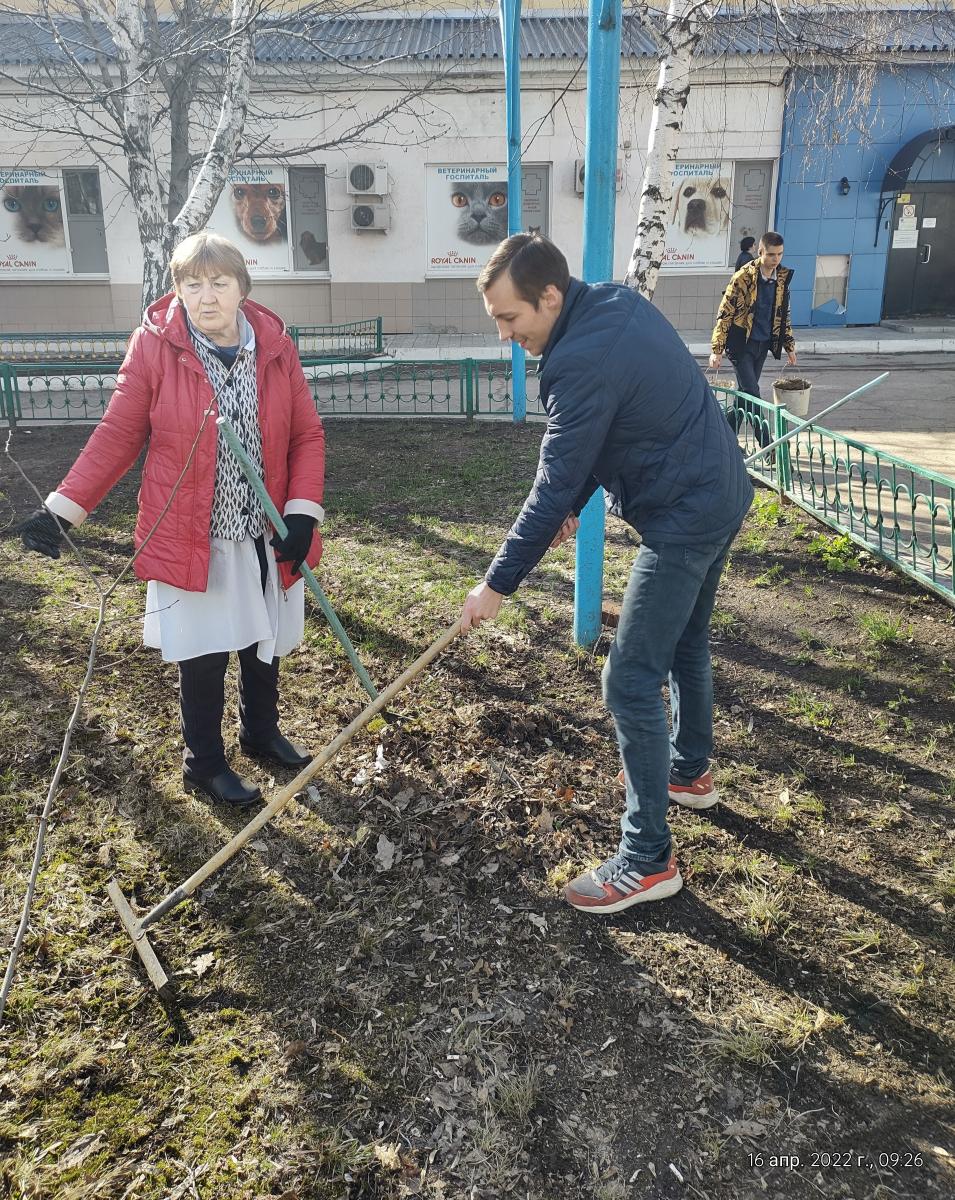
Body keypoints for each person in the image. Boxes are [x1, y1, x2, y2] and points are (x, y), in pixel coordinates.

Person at [458, 233, 753, 914]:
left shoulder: (578, 361)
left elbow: (553, 478)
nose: (507, 335)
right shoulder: (613, 305)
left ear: (550, 296)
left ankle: (647, 859)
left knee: (626, 679)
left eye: (511, 319)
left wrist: (495, 585)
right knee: (681, 642)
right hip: (720, 490)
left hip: (684, 513)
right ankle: (690, 772)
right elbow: (615, 430)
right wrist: (574, 499)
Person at [18, 231, 325, 807]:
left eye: (219, 282)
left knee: (266, 640)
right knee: (205, 651)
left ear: (242, 287)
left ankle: (260, 734)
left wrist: (302, 513)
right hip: (194, 534)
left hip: (265, 529)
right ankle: (203, 763)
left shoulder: (276, 346)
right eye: (192, 283)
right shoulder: (157, 346)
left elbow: (306, 434)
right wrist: (62, 510)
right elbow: (119, 434)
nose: (206, 296)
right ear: (177, 288)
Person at [710, 231, 797, 449]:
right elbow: (725, 312)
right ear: (760, 252)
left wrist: (789, 345)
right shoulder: (743, 277)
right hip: (740, 344)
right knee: (753, 394)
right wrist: (717, 349)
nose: (775, 259)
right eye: (771, 254)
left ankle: (723, 442)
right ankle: (769, 448)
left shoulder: (782, 279)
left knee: (744, 396)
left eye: (779, 254)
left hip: (763, 344)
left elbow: (783, 313)